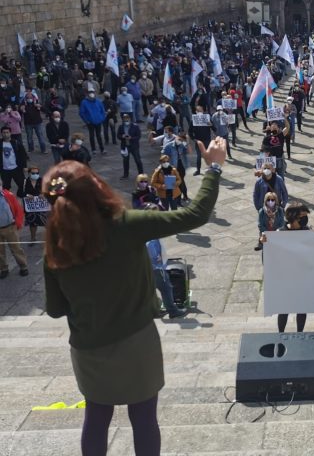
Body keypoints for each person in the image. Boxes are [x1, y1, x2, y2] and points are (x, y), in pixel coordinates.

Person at [42, 138, 226, 456]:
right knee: (142, 417)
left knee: (96, 417)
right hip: (136, 342)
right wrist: (214, 167)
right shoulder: (125, 225)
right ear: (96, 187)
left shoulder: (55, 245)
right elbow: (194, 214)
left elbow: (56, 309)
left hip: (88, 349)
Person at [260, 201, 314, 332]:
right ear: (294, 217)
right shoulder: (279, 233)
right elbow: (268, 260)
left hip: (303, 279)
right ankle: (281, 334)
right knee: (284, 309)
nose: (305, 219)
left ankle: (300, 334)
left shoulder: (308, 231)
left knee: (302, 309)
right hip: (286, 280)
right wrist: (266, 244)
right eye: (302, 216)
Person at [144, 208, 186, 319]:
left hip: (150, 267)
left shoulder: (147, 226)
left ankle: (155, 311)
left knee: (151, 290)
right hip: (157, 268)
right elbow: (150, 247)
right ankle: (173, 311)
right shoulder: (151, 232)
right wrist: (156, 258)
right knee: (166, 289)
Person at [0, 184, 27, 278]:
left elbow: (18, 209)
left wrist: (18, 223)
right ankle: (3, 269)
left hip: (10, 227)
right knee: (0, 251)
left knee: (16, 248)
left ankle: (23, 267)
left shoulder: (9, 196)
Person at [22, 165, 46, 246]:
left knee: (46, 222)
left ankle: (51, 238)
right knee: (32, 224)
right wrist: (28, 195)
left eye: (37, 173)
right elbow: (21, 192)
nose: (35, 174)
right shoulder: (25, 181)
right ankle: (33, 238)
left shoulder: (42, 180)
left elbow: (48, 190)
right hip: (31, 207)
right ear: (29, 173)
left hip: (41, 206)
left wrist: (43, 194)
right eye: (33, 173)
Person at [1, 125, 28, 196]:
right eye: (4, 132)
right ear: (1, 134)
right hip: (4, 170)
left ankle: (20, 195)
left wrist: (24, 166)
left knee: (22, 184)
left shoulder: (16, 143)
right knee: (6, 186)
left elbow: (23, 155)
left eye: (7, 132)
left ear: (10, 133)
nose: (5, 134)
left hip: (16, 168)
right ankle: (7, 198)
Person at [78, 90, 106, 155]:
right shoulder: (84, 102)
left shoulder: (98, 101)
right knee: (92, 136)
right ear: (88, 94)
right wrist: (87, 121)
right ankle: (93, 149)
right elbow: (81, 113)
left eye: (92, 92)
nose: (92, 94)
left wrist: (102, 119)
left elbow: (102, 111)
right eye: (90, 92)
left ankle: (102, 149)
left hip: (98, 121)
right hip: (90, 122)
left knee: (99, 135)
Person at [117, 113, 144, 179]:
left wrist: (131, 138)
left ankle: (141, 174)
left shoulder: (135, 126)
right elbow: (118, 136)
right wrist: (122, 136)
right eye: (124, 118)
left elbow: (138, 136)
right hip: (125, 146)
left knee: (138, 160)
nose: (126, 119)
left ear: (130, 118)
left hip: (134, 146)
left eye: (127, 118)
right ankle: (125, 174)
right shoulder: (121, 126)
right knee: (125, 161)